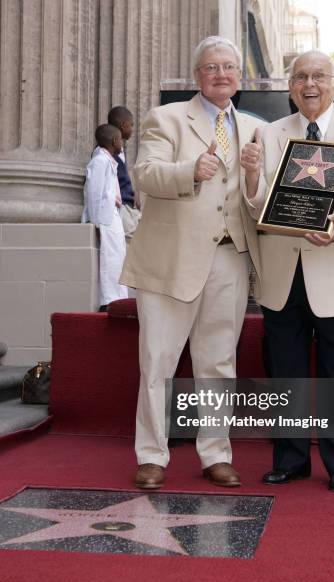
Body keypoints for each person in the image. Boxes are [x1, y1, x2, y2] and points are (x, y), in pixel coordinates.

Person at [241, 50, 334, 491]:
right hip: (282, 277)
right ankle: (290, 459)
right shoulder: (268, 134)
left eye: (319, 76)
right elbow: (256, 208)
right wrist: (252, 180)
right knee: (285, 371)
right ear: (290, 86)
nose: (310, 84)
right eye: (300, 77)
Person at [120, 36, 263, 489]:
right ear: (197, 76)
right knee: (158, 359)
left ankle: (216, 453)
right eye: (210, 67)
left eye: (228, 67)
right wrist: (189, 171)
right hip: (171, 261)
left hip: (230, 259)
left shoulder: (258, 128)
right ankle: (151, 455)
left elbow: (258, 202)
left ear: (240, 77)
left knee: (218, 363)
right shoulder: (165, 118)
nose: (220, 74)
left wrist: (256, 176)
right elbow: (144, 174)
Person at [82, 124, 129, 311]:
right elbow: (94, 192)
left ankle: (119, 297)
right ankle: (109, 300)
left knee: (118, 256)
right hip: (105, 217)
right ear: (114, 141)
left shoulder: (109, 160)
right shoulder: (100, 161)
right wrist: (94, 221)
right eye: (120, 139)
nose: (122, 143)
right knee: (110, 257)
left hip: (112, 215)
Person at [108, 106, 141, 242]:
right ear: (123, 125)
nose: (133, 129)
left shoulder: (119, 152)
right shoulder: (107, 154)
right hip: (122, 209)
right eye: (131, 125)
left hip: (129, 207)